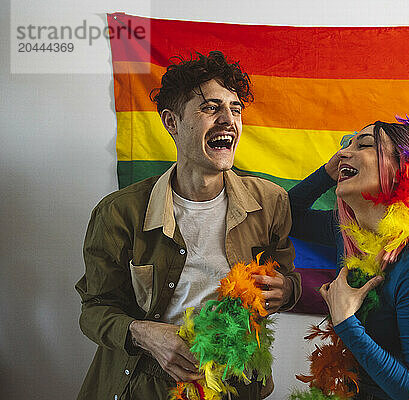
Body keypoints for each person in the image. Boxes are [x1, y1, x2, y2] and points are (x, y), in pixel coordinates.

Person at [75, 50, 301, 400]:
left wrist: (287, 290)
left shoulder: (271, 202)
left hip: (236, 384)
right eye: (211, 107)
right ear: (172, 122)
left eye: (236, 109)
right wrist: (145, 333)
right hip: (145, 385)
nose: (229, 119)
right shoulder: (119, 212)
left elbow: (285, 282)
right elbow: (94, 310)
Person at [288, 118, 409, 400]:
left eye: (365, 145)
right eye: (346, 146)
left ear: (403, 169)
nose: (345, 152)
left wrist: (346, 322)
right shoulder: (347, 234)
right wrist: (326, 173)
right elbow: (287, 216)